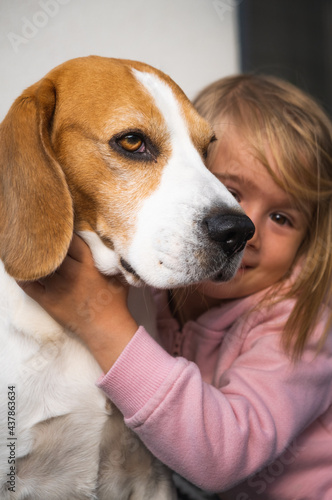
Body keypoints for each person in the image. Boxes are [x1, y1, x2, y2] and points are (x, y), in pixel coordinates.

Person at [21, 74, 332, 500]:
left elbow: (223, 457)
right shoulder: (157, 284)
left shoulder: (303, 328)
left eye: (282, 217)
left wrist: (105, 323)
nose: (245, 227)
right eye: (230, 189)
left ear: (310, 239)